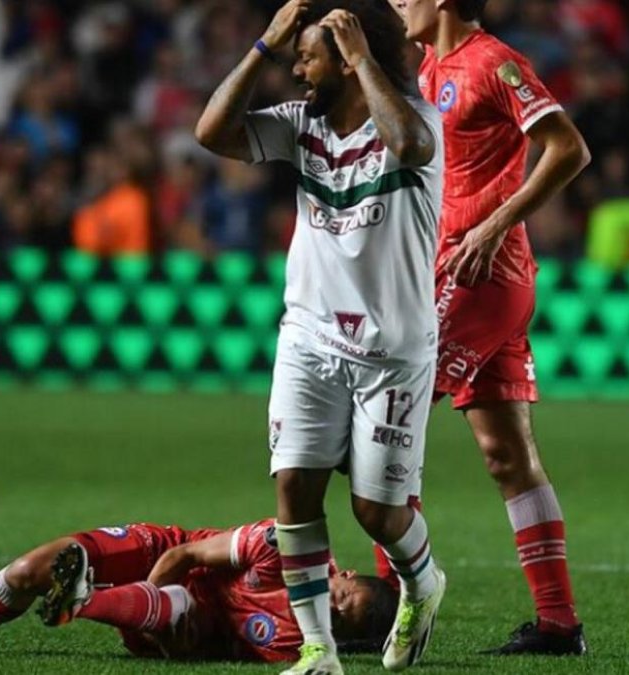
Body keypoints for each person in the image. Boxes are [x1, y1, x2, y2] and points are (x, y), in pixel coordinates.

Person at [195, 1, 447, 672]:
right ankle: (317, 651)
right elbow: (211, 131)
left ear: (346, 56)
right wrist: (262, 47)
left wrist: (364, 57)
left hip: (393, 354)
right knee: (294, 491)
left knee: (375, 511)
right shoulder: (297, 126)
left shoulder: (416, 121)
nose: (298, 70)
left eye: (308, 56)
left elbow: (412, 147)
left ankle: (424, 581)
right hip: (309, 339)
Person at [386, 0, 591, 656]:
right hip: (453, 276)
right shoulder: (423, 69)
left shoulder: (493, 63)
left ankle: (395, 605)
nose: (393, 4)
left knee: (385, 429)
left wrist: (495, 222)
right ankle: (559, 623)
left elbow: (569, 148)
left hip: (481, 278)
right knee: (506, 455)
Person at [0, 518, 398, 663]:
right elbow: (184, 557)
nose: (328, 608)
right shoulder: (284, 545)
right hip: (163, 554)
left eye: (338, 619)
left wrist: (159, 634)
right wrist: (138, 600)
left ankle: (81, 599)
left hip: (183, 623)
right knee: (28, 571)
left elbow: (211, 651)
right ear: (343, 574)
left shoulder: (295, 643)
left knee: (177, 610)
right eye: (340, 597)